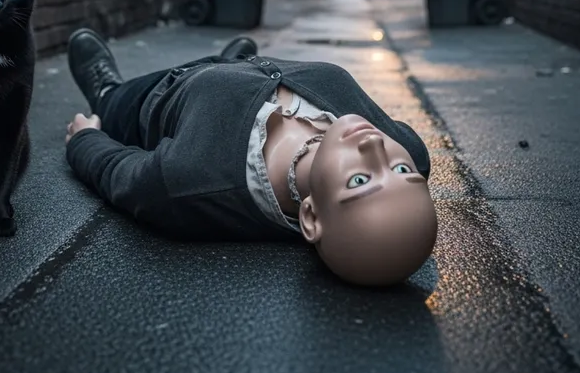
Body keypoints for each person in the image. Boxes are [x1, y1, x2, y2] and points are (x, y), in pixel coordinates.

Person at [64, 28, 438, 287]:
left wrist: (85, 139)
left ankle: (107, 89)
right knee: (232, 69)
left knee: (112, 103)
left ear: (311, 215)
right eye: (400, 169)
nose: (375, 148)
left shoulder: (191, 178)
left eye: (359, 181)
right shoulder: (401, 146)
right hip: (248, 66)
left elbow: (120, 173)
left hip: (161, 92)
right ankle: (234, 58)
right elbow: (408, 158)